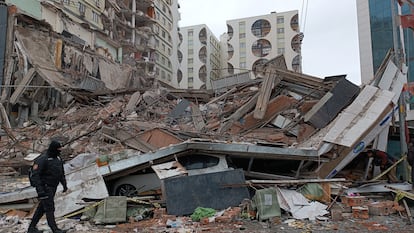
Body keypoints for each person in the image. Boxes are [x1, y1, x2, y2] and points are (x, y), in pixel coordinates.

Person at [27, 140, 68, 233]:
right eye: (58, 149)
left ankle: (31, 228)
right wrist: (40, 190)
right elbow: (35, 175)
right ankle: (54, 229)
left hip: (53, 187)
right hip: (45, 187)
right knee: (49, 207)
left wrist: (64, 184)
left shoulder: (58, 159)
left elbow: (61, 173)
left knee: (41, 208)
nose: (60, 151)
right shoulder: (42, 159)